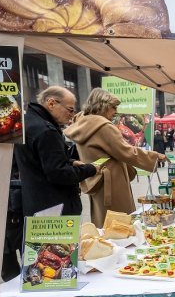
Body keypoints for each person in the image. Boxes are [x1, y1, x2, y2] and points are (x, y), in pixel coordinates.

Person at [64, 88, 165, 227]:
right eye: (113, 107)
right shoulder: (103, 126)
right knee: (121, 223)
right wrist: (154, 157)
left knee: (104, 222)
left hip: (97, 180)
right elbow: (125, 151)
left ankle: (107, 247)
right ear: (103, 106)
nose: (115, 112)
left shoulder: (82, 123)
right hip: (112, 182)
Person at [14, 86, 97, 216]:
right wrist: (90, 169)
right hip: (54, 209)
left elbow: (38, 159)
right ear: (51, 103)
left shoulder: (27, 123)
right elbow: (59, 173)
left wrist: (69, 161)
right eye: (70, 109)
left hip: (36, 203)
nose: (72, 114)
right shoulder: (46, 131)